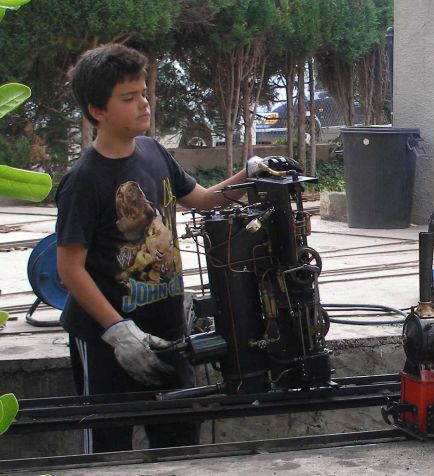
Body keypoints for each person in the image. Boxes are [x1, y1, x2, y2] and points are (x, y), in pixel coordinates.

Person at [55, 44, 299, 453]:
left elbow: (202, 199)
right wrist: (117, 331)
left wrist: (249, 173)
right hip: (107, 342)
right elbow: (69, 268)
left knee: (181, 442)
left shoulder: (153, 153)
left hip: (170, 332)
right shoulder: (84, 180)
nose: (143, 104)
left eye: (144, 93)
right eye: (129, 99)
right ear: (97, 110)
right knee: (108, 450)